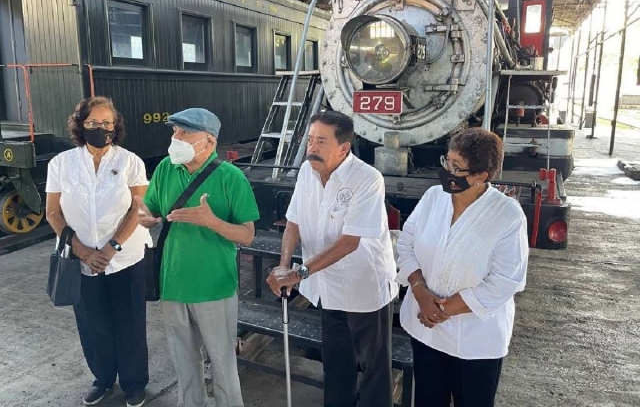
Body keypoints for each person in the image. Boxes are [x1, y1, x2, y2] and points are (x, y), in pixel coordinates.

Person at [266, 110, 398, 407]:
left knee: (373, 368)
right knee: (336, 365)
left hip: (364, 287)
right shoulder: (306, 172)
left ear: (343, 148)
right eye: (310, 139)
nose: (311, 147)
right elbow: (293, 222)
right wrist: (284, 264)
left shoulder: (367, 179)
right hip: (326, 286)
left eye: (321, 141)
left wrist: (299, 273)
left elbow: (350, 242)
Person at [395, 127, 529, 407]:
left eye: (457, 168)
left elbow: (505, 280)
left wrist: (441, 310)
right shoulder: (434, 197)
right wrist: (420, 292)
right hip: (426, 331)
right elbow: (406, 244)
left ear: (481, 176)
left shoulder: (506, 214)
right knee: (428, 401)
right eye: (447, 162)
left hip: (475, 340)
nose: (447, 172)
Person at [138, 108, 259, 407]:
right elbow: (151, 207)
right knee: (183, 361)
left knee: (222, 361)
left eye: (185, 133)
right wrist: (146, 217)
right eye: (174, 132)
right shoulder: (167, 168)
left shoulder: (231, 178)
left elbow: (247, 235)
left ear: (209, 141)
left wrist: (212, 221)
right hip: (173, 282)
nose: (176, 138)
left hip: (214, 286)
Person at [45, 96, 151, 407]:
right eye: (92, 123)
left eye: (106, 123)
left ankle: (134, 384)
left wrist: (111, 246)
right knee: (92, 324)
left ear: (115, 127)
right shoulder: (61, 164)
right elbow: (53, 213)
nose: (100, 128)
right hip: (82, 260)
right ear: (80, 126)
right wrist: (82, 251)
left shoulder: (130, 161)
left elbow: (137, 208)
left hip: (125, 257)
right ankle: (103, 380)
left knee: (130, 322)